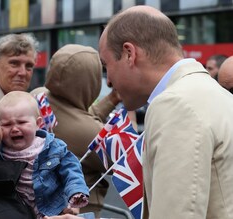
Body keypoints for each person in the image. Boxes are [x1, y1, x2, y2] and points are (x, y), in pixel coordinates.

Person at [99, 5, 233, 218]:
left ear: (129, 54)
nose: (108, 81)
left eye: (106, 66)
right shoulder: (213, 94)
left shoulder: (176, 104)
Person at [31, 44, 133, 217]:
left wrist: (112, 99)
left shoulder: (39, 97)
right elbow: (128, 157)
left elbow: (76, 116)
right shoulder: (87, 132)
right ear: (89, 82)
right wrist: (130, 106)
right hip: (79, 211)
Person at [0, 91, 89, 218]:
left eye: (22, 122)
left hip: (52, 209)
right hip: (18, 212)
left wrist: (76, 191)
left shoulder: (52, 148)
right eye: (7, 124)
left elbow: (72, 170)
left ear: (38, 124)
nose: (14, 129)